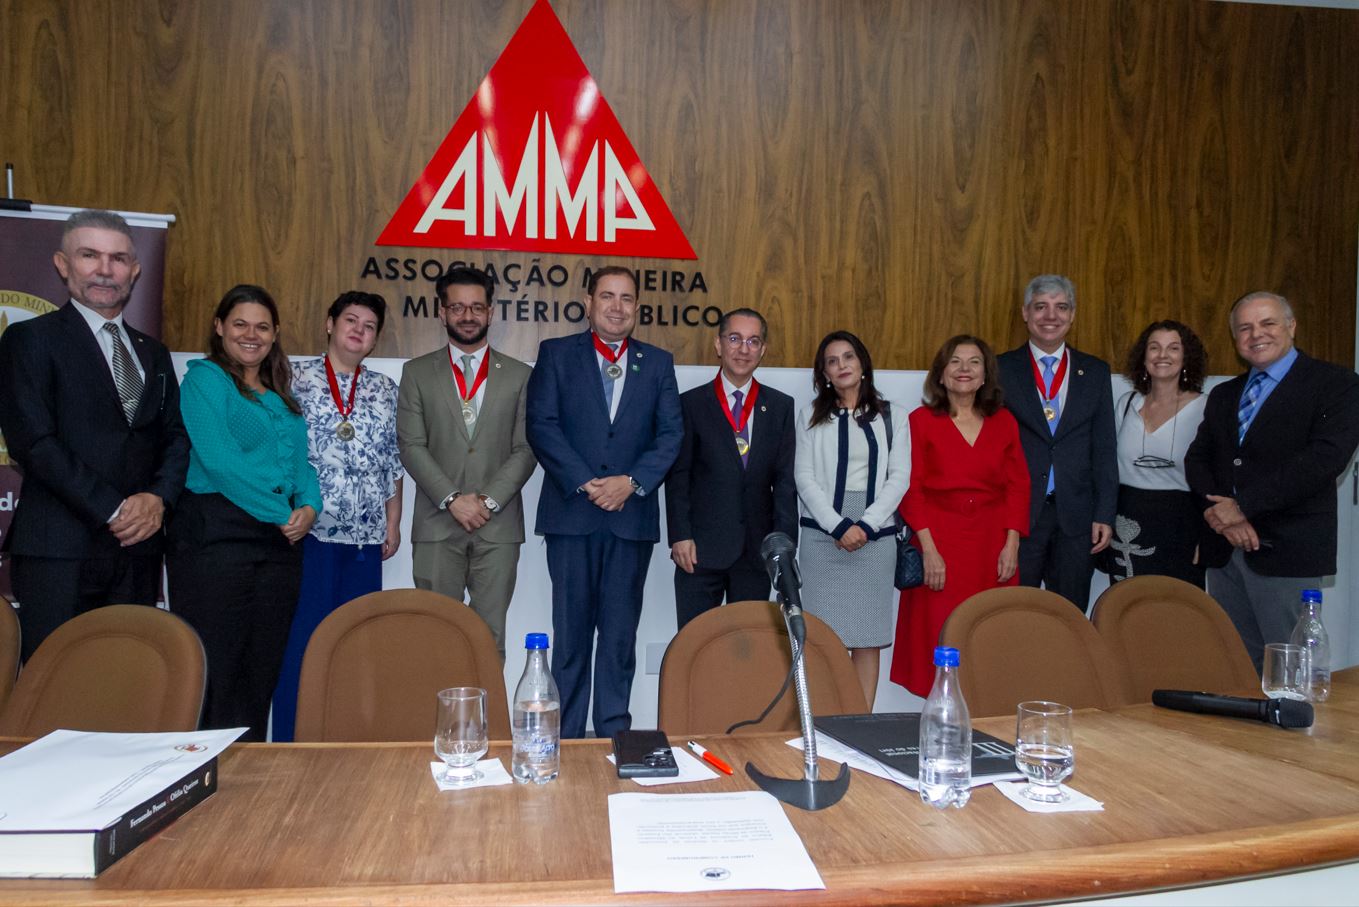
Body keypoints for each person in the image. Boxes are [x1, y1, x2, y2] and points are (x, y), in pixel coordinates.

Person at [0, 209, 188, 662]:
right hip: (59, 551)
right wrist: (114, 508)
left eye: (118, 258)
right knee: (57, 689)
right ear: (63, 264)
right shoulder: (29, 339)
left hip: (138, 552)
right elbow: (35, 443)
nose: (105, 269)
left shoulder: (154, 352)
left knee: (125, 683)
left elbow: (176, 438)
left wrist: (157, 500)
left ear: (135, 271)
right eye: (90, 255)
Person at [526, 266, 682, 738]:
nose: (617, 307)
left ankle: (614, 734)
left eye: (627, 299)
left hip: (629, 520)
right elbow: (541, 425)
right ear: (588, 302)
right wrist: (588, 482)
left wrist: (631, 482)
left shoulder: (656, 363)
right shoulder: (555, 355)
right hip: (572, 516)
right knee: (570, 639)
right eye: (607, 297)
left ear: (637, 307)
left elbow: (671, 434)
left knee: (618, 639)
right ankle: (568, 736)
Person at [166, 285, 321, 740]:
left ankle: (250, 784)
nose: (251, 335)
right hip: (216, 538)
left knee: (261, 669)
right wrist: (282, 511)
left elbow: (301, 465)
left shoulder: (280, 395)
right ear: (219, 327)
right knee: (216, 671)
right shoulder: (204, 380)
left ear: (275, 335)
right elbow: (220, 461)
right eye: (240, 324)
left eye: (262, 327)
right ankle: (205, 782)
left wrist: (310, 506)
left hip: (278, 545)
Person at [1185, 292, 1359, 671]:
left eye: (1268, 323)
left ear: (1291, 327)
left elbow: (1323, 460)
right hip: (1224, 551)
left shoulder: (1337, 384)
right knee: (1235, 668)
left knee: (1294, 671)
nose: (1256, 334)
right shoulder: (1225, 394)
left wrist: (1242, 507)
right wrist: (1222, 514)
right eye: (1244, 328)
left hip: (1286, 551)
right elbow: (1198, 459)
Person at [270, 291, 405, 742]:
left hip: (366, 535)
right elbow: (279, 455)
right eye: (351, 320)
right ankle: (291, 740)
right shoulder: (292, 378)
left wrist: (393, 521)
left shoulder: (384, 389)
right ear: (329, 323)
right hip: (310, 533)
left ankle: (347, 742)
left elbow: (393, 461)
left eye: (369, 326)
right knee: (302, 641)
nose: (359, 331)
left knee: (355, 644)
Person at [398, 267, 536, 659]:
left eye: (477, 307)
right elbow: (411, 445)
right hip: (437, 523)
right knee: (435, 633)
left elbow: (526, 448)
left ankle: (484, 721)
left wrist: (488, 500)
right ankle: (439, 722)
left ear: (491, 312)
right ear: (441, 313)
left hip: (498, 526)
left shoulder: (520, 376)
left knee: (488, 637)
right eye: (457, 307)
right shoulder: (417, 372)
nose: (468, 315)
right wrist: (453, 499)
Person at [889, 336, 1029, 697]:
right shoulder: (919, 421)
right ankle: (940, 723)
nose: (964, 370)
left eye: (974, 363)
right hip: (939, 540)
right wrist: (928, 550)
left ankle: (985, 727)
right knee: (939, 633)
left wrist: (1012, 543)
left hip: (990, 544)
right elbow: (911, 488)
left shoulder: (1005, 422)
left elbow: (1018, 485)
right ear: (941, 373)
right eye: (955, 362)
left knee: (988, 634)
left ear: (986, 376)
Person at [794, 331, 910, 709]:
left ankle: (860, 724)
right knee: (822, 638)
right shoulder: (810, 416)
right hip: (822, 534)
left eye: (848, 357)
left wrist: (867, 524)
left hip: (876, 537)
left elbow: (899, 477)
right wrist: (839, 526)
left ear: (862, 364)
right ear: (824, 372)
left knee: (867, 637)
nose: (842, 366)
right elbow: (804, 478)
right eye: (832, 360)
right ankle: (825, 723)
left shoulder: (894, 416)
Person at [665, 308, 797, 630]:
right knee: (695, 647)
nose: (743, 349)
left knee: (746, 651)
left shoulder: (780, 406)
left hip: (756, 552)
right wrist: (680, 535)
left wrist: (782, 546)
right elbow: (678, 475)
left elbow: (783, 482)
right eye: (735, 339)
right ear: (719, 345)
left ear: (763, 350)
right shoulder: (691, 404)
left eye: (753, 341)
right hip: (699, 550)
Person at [998, 274, 1117, 612]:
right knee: (1015, 611)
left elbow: (1104, 447)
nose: (1051, 316)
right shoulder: (1000, 368)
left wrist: (1105, 513)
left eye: (1060, 307)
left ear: (1072, 315)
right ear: (1025, 312)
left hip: (1077, 517)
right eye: (1041, 307)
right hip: (1019, 518)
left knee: (1068, 614)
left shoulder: (1094, 371)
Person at [1104, 320, 1209, 587]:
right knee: (1124, 607)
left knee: (1175, 609)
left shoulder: (1205, 408)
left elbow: (1214, 476)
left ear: (1186, 357)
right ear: (1144, 356)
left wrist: (1209, 535)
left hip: (1181, 525)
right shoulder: (1127, 404)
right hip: (1127, 522)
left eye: (1173, 348)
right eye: (1154, 347)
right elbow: (1107, 467)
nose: (1163, 355)